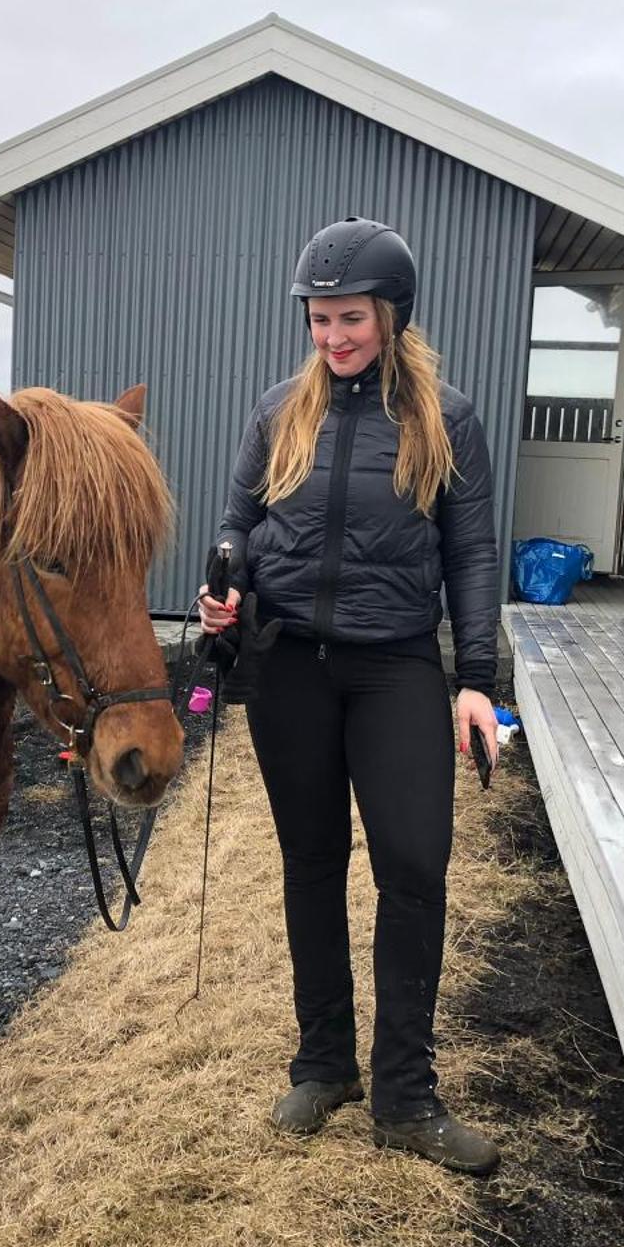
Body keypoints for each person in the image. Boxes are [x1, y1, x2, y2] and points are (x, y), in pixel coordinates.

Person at [201, 216, 502, 1175]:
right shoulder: (276, 412)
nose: (332, 338)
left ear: (392, 315)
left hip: (398, 665)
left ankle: (406, 1096)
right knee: (312, 863)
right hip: (293, 668)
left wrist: (477, 683)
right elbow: (239, 520)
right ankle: (322, 1062)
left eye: (350, 319)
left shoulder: (445, 418)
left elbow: (472, 552)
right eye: (319, 320)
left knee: (413, 867)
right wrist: (228, 583)